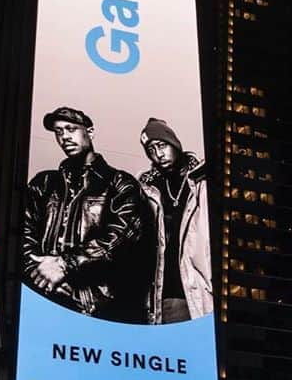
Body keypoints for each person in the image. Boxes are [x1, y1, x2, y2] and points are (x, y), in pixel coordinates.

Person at [23, 106, 152, 323]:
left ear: (89, 132)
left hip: (102, 309)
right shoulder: (44, 183)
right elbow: (22, 233)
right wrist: (41, 276)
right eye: (58, 131)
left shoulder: (119, 183)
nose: (64, 136)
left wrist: (65, 265)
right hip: (43, 302)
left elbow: (123, 236)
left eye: (70, 129)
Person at [138, 118, 212, 323]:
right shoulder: (147, 190)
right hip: (163, 294)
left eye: (161, 146)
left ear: (174, 144)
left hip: (200, 285)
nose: (158, 154)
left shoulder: (202, 180)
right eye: (151, 150)